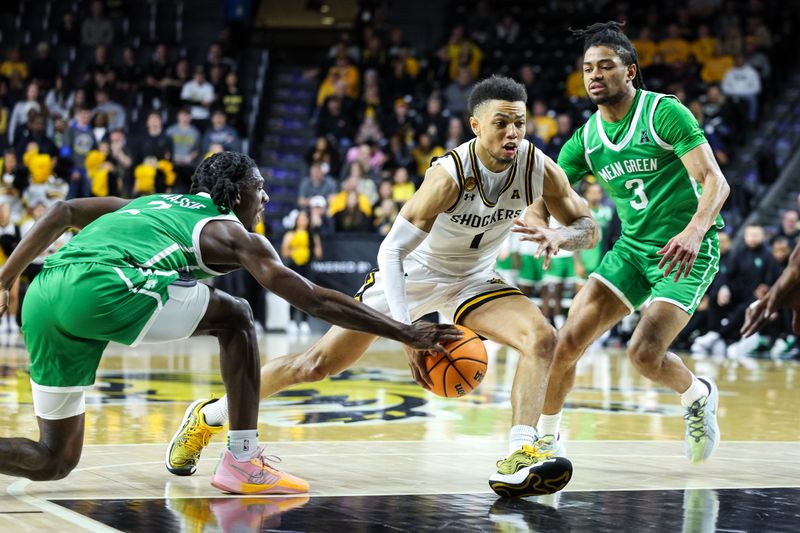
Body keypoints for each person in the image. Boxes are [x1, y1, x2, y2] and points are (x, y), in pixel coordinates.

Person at [167, 76, 598, 498]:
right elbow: (391, 253)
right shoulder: (450, 176)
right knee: (316, 364)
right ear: (475, 125)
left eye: (520, 123)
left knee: (543, 339)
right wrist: (406, 330)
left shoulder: (538, 168)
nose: (513, 133)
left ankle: (522, 453)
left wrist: (563, 237)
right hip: (412, 275)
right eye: (502, 122)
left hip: (474, 278)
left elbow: (588, 227)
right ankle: (211, 415)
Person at [0, 151, 460, 495]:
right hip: (102, 286)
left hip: (42, 297)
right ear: (234, 192)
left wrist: (6, 278)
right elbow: (314, 298)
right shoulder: (229, 231)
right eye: (258, 186)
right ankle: (241, 459)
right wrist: (404, 331)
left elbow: (63, 213)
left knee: (54, 459)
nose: (264, 196)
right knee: (238, 317)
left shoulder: (151, 204)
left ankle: (233, 451)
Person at [523, 22, 729, 465]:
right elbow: (549, 189)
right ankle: (546, 441)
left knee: (643, 354)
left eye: (605, 66)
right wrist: (543, 225)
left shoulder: (663, 114)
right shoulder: (587, 139)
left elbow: (715, 180)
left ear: (630, 71)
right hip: (632, 251)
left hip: (685, 252)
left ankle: (697, 394)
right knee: (566, 342)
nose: (594, 75)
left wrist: (695, 231)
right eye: (587, 69)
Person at [742, 238, 800, 337]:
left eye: (783, 250)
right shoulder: (772, 262)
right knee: (753, 306)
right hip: (777, 297)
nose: (779, 254)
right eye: (776, 250)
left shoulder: (789, 263)